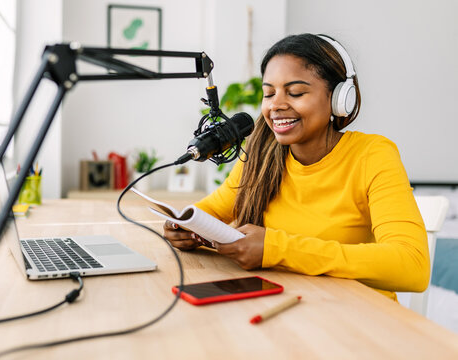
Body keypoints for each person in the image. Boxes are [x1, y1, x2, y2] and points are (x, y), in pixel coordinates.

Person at [163, 33, 429, 300]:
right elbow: (210, 211)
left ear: (338, 99)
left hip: (358, 317)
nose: (276, 105)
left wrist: (277, 248)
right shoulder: (261, 155)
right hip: (289, 308)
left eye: (296, 92)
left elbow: (412, 266)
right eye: (269, 93)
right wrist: (185, 227)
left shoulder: (372, 155)